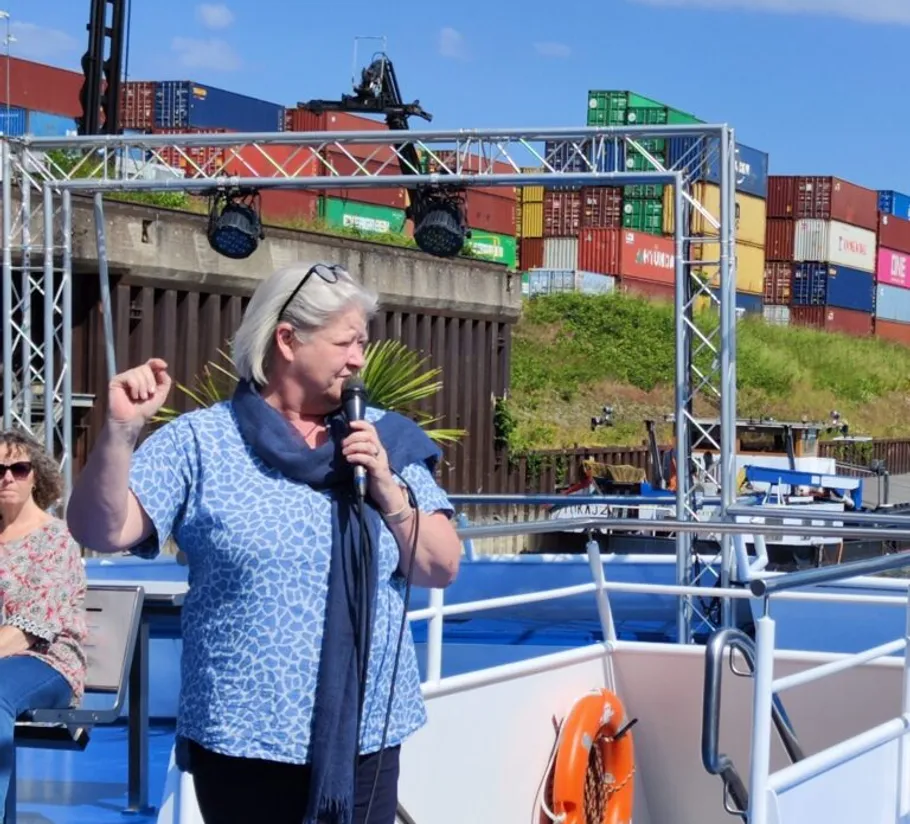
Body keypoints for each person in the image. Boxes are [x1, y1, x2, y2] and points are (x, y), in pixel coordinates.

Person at [66, 261, 463, 824]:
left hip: (363, 738)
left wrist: (387, 489)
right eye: (347, 342)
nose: (358, 360)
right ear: (287, 340)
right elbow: (100, 530)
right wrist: (122, 432)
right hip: (240, 738)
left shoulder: (382, 438)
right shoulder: (202, 441)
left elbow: (440, 566)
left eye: (363, 344)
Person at [0, 429, 87, 813]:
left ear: (36, 475)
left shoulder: (56, 540)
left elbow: (28, 631)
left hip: (46, 661)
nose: (6, 477)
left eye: (18, 468)